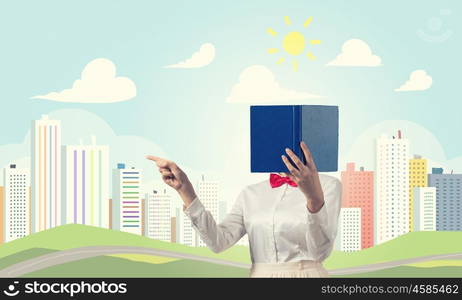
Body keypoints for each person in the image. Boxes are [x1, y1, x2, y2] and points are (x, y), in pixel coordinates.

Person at [146, 141, 341, 278]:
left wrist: (314, 199)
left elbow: (320, 252)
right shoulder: (251, 193)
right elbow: (218, 242)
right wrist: (185, 190)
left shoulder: (329, 185)